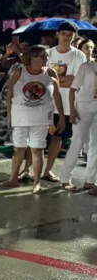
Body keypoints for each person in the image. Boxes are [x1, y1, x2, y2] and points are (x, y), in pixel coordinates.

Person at [3, 45, 64, 193]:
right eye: (42, 56)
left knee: (37, 150)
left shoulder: (50, 73)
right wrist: (9, 116)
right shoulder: (19, 72)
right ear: (32, 57)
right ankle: (13, 179)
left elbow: (57, 96)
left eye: (46, 56)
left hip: (42, 118)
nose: (46, 59)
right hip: (20, 116)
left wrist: (61, 117)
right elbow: (9, 94)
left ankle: (37, 182)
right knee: (19, 149)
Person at [44, 21, 87, 182]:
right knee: (39, 137)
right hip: (46, 101)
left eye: (70, 35)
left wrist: (54, 80)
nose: (66, 37)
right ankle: (27, 169)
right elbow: (42, 77)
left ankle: (47, 171)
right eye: (63, 34)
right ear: (57, 35)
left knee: (57, 137)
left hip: (67, 104)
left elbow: (77, 80)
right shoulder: (47, 53)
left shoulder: (78, 55)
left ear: (74, 36)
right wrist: (64, 79)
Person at [61, 39, 97, 192]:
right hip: (83, 108)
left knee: (96, 146)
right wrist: (72, 110)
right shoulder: (86, 67)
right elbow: (72, 89)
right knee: (78, 142)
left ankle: (90, 181)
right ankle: (65, 179)